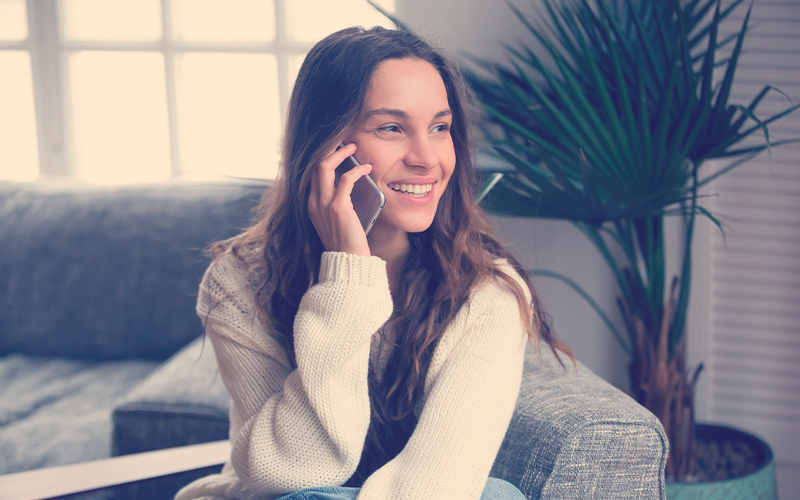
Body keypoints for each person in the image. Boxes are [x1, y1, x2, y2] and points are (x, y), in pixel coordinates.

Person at [175, 26, 571, 500]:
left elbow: (436, 486)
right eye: (391, 128)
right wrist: (347, 277)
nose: (427, 159)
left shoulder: (486, 293)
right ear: (327, 146)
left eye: (440, 128)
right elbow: (290, 472)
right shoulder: (240, 281)